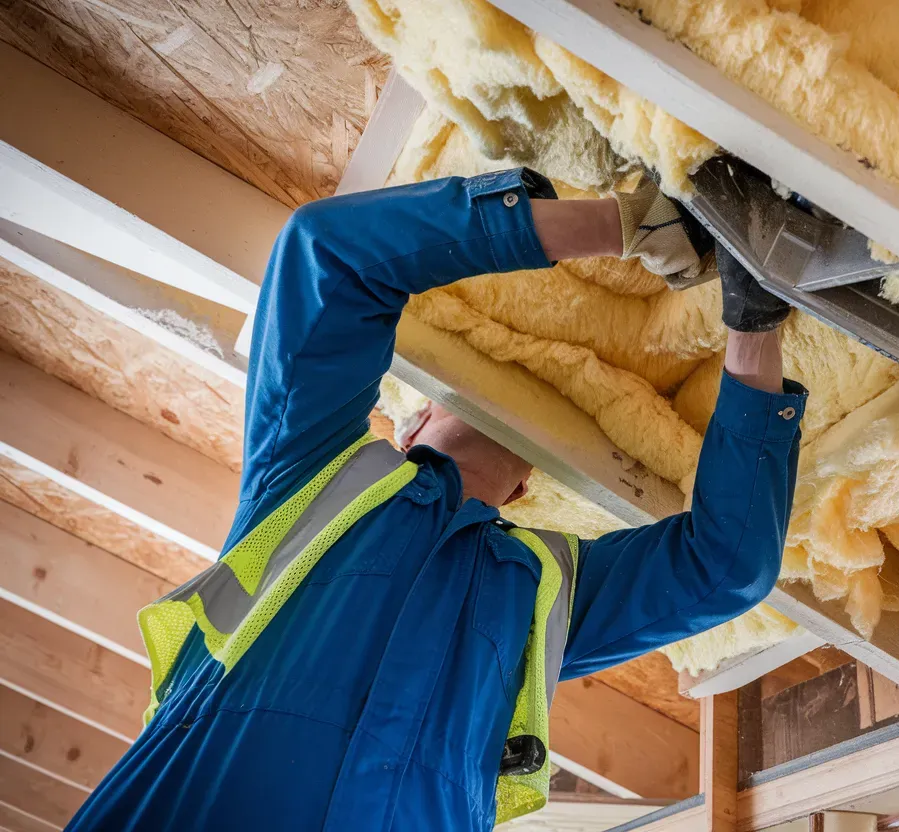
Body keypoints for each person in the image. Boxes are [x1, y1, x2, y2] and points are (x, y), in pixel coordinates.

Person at [67, 166, 806, 831]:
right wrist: (754, 324)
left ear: (522, 485)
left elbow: (326, 257)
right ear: (416, 418)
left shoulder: (303, 481)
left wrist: (631, 225)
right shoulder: (532, 600)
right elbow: (727, 565)